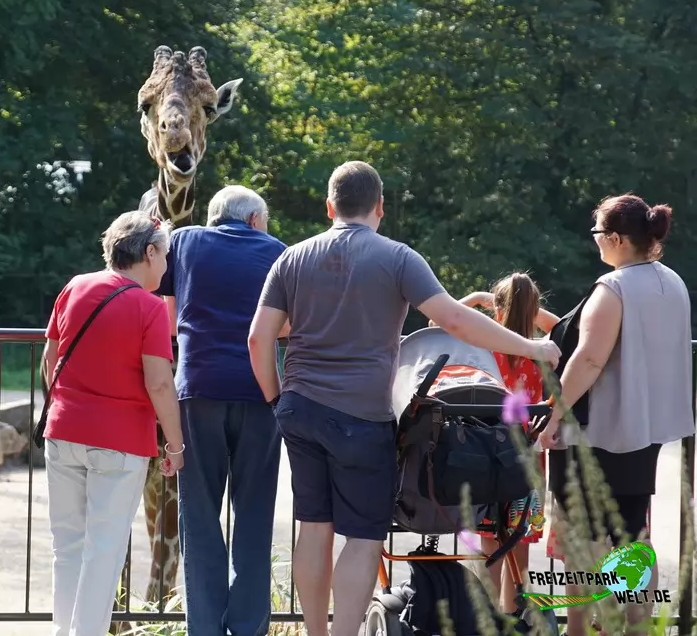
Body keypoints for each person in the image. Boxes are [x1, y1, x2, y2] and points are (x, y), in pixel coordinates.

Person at [247, 161, 561, 636]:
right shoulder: (398, 258)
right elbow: (453, 321)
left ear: (329, 206)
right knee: (364, 536)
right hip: (360, 416)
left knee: (313, 527)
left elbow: (258, 339)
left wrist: (276, 401)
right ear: (380, 208)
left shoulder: (291, 258)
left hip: (300, 409)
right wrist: (533, 347)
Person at [537, 194, 694, 636]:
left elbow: (587, 361)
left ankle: (579, 630)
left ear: (617, 239)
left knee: (583, 541)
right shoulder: (674, 283)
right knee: (632, 538)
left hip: (597, 432)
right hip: (645, 432)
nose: (596, 244)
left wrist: (552, 418)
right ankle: (640, 628)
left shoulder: (614, 288)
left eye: (598, 235)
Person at [41, 210, 186, 636]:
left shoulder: (75, 286)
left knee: (66, 547)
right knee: (103, 553)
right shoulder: (149, 307)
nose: (167, 265)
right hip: (120, 443)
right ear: (149, 251)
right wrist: (174, 447)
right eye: (165, 256)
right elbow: (159, 384)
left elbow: (49, 362)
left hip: (62, 432)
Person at [154, 185, 287, 636]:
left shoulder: (184, 242)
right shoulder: (279, 252)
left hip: (197, 390)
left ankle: (205, 628)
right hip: (260, 392)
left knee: (201, 518)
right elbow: (286, 326)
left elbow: (169, 320)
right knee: (253, 515)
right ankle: (248, 628)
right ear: (254, 220)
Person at [448, 275, 560, 613]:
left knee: (488, 540)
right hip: (525, 455)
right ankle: (514, 612)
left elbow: (436, 318)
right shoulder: (544, 351)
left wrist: (481, 299)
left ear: (497, 308)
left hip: (482, 451)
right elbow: (565, 327)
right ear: (535, 309)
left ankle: (486, 615)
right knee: (518, 539)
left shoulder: (482, 344)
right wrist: (529, 308)